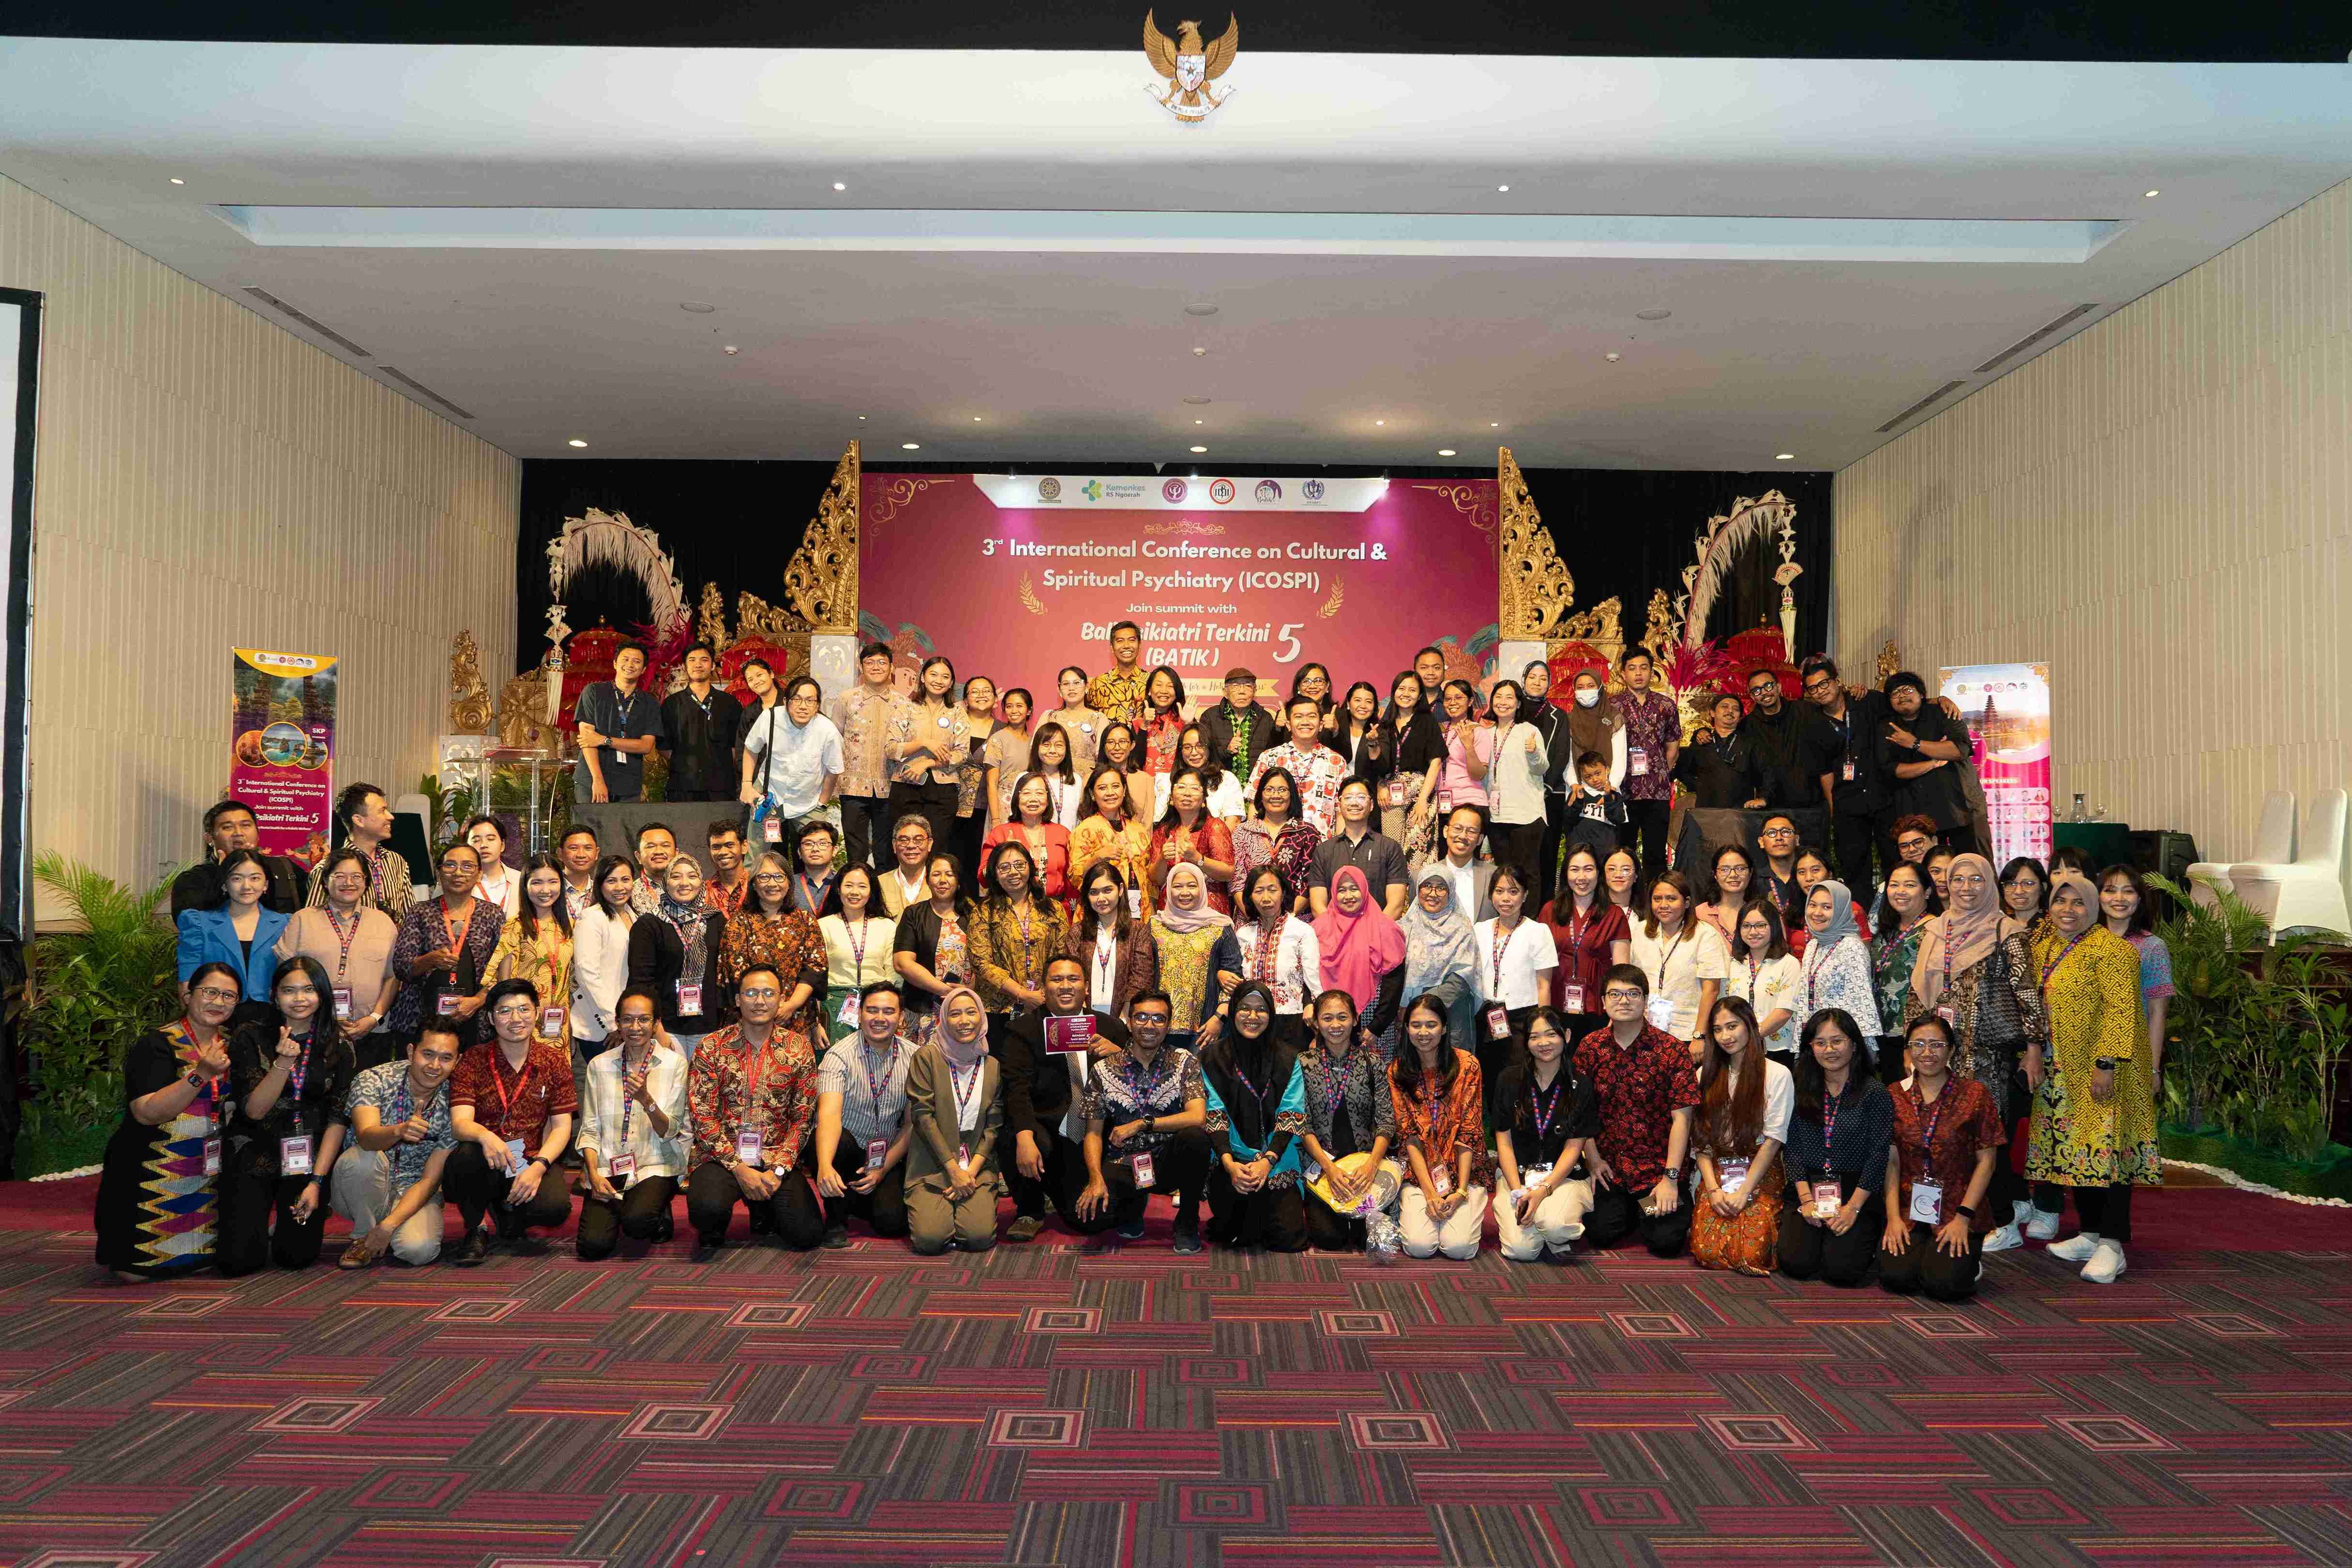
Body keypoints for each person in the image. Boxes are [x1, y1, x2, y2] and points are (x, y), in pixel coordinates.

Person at [1907, 852, 2047, 1251]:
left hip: (1987, 1056)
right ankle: (1948, 1215)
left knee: (1985, 1139)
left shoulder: (2007, 932)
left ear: (1989, 885)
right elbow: (1916, 996)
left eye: (1976, 880)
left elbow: (2028, 995)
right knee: (1941, 1138)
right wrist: (1911, 1051)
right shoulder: (1934, 931)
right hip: (1938, 1057)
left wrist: (2033, 1049)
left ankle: (2004, 1221)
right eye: (1959, 879)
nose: (1966, 888)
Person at [2027, 870, 2158, 1284]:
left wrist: (2106, 1064)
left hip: (2106, 1070)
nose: (2068, 910)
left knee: (2108, 1152)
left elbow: (2123, 1009)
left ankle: (2113, 1245)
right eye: (2060, 901)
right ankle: (2089, 1233)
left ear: (2093, 907)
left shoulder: (2113, 950)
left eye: (2078, 902)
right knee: (2076, 1150)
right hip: (2060, 1069)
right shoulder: (2044, 946)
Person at [94, 964, 240, 1280]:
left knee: (206, 1263)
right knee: (135, 1274)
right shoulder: (156, 1044)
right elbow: (147, 1113)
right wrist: (201, 1074)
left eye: (229, 996)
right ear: (187, 996)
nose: (219, 1001)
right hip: (151, 1168)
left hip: (207, 1172)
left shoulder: (233, 1046)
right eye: (210, 992)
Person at [684, 964, 825, 1251]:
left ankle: (763, 1208)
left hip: (775, 1157)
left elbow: (803, 1118)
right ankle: (716, 1225)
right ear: (738, 1000)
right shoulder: (711, 1047)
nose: (760, 1001)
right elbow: (703, 1117)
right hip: (722, 1158)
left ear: (781, 999)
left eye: (769, 993)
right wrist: (739, 1169)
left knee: (806, 1235)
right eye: (751, 993)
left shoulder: (799, 1048)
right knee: (707, 1209)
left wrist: (780, 1170)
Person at [445, 978, 577, 1266]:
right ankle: (476, 1228)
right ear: (492, 1019)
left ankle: (507, 1211)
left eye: (524, 1010)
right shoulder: (473, 1060)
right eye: (505, 1011)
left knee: (554, 1209)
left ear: (537, 1014)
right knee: (465, 1159)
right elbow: (460, 1124)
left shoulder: (554, 1061)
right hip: (486, 1158)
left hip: (530, 1157)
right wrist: (487, 1137)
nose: (516, 1019)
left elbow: (562, 1127)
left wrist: (539, 1167)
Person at [997, 956, 1127, 1241]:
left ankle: (1056, 1190)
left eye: (1073, 979)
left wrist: (1120, 1056)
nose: (1066, 986)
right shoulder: (1023, 1030)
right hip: (1047, 1133)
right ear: (1044, 989)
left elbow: (1138, 1085)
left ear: (1086, 987)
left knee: (1093, 1222)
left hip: (1094, 1136)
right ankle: (1030, 1209)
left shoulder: (1112, 1028)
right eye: (1057, 980)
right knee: (1013, 1135)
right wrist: (1024, 1137)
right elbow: (1016, 1090)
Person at [1573, 965, 1699, 1255]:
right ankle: (1632, 1211)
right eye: (1615, 994)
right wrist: (1593, 1160)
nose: (1624, 1001)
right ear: (1603, 1002)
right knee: (1601, 1234)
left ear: (1645, 1000)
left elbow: (1682, 1121)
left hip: (1657, 1172)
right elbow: (1581, 1112)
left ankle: (1650, 1209)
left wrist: (1670, 1179)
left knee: (1666, 1242)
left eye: (1633, 994)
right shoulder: (1590, 1047)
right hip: (1610, 1170)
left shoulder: (1671, 1050)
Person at [1075, 990, 1212, 1253]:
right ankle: (1132, 1207)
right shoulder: (1103, 1069)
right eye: (1141, 1017)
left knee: (1196, 1138)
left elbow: (1197, 1117)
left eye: (1159, 1019)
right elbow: (1093, 1133)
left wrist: (1143, 1123)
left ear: (1168, 1025)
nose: (1150, 1026)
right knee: (1094, 1219)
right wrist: (1095, 1179)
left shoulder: (1185, 1061)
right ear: (1129, 1022)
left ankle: (1187, 1220)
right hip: (1125, 1164)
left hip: (1169, 1161)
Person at [1878, 1014, 2003, 1301]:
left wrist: (1963, 1217)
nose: (1927, 1052)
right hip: (1909, 1208)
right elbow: (1892, 1161)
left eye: (1937, 1045)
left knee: (1944, 1285)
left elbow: (1987, 1162)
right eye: (1918, 1044)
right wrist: (1894, 1218)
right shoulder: (1894, 1095)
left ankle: (1967, 1262)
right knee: (1896, 1278)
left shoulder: (1975, 1094)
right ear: (1908, 1051)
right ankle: (1927, 1253)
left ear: (1951, 1050)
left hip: (1958, 1207)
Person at [332, 1019, 465, 1268]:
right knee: (363, 1160)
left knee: (419, 1251)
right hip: (362, 1187)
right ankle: (363, 1237)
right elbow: (366, 1138)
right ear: (412, 1052)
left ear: (457, 1062)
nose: (435, 1066)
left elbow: (431, 1179)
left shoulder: (456, 1101)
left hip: (413, 1190)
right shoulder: (374, 1079)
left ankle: (385, 1230)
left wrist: (389, 1226)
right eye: (428, 1055)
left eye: (446, 1058)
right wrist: (398, 1131)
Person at [1778, 1008, 1893, 1287]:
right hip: (1808, 1184)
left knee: (1842, 1272)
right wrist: (1806, 1200)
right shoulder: (1799, 1087)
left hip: (1857, 1190)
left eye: (1837, 1041)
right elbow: (1792, 1148)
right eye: (1820, 1043)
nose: (1829, 1050)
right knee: (1795, 1264)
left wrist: (1853, 1208)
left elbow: (1879, 1155)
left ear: (1854, 1044)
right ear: (1810, 1048)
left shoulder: (1875, 1092)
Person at [573, 988, 687, 1260]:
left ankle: (656, 1206)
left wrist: (646, 1100)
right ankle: (627, 1206)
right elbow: (589, 1129)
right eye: (627, 1020)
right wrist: (593, 1175)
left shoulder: (675, 1065)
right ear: (618, 1023)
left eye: (644, 1020)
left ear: (656, 1023)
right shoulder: (599, 1066)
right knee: (592, 1247)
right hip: (609, 1165)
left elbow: (670, 1130)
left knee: (638, 1224)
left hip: (655, 1164)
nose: (635, 1028)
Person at [1199, 981, 1310, 1252]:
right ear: (1233, 1011)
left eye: (1261, 1009)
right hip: (1232, 1158)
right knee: (1232, 1233)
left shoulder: (1289, 1057)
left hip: (1277, 1160)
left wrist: (1267, 1162)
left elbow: (1291, 1114)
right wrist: (1230, 1165)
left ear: (1271, 1015)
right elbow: (1214, 1114)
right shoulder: (1213, 1057)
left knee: (1288, 1239)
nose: (1253, 1016)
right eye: (1245, 1008)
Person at [1687, 997, 1794, 1274]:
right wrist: (1713, 1190)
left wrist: (1745, 1192)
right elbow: (1701, 1141)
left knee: (1751, 1254)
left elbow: (1773, 1141)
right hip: (1718, 1169)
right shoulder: (1705, 1074)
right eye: (1718, 1030)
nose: (1725, 1036)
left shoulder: (1777, 1074)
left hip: (1760, 1169)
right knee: (1708, 1252)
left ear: (1750, 1025)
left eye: (1732, 1026)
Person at [809, 982, 916, 1246]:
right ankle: (836, 1219)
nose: (880, 1018)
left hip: (885, 1153)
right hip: (844, 1150)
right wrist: (824, 1166)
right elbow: (829, 1117)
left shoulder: (915, 1057)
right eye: (872, 1010)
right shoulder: (838, 1056)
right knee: (838, 1142)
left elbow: (911, 1125)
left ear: (901, 1017)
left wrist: (883, 1168)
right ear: (860, 1014)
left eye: (889, 1011)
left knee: (893, 1224)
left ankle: (854, 1199)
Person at [1491, 1006, 1600, 1262]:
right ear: (1526, 1042)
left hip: (1564, 1178)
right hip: (1517, 1177)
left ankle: (1551, 1225)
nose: (1544, 1043)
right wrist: (1518, 1192)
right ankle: (1543, 1227)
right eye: (1535, 1037)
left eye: (1551, 1034)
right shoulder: (1508, 1080)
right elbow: (1504, 1144)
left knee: (1556, 1226)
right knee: (1520, 1251)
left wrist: (1542, 1191)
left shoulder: (1581, 1085)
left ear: (1567, 1036)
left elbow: (1574, 1148)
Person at [1296, 988, 1402, 1251]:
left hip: (1364, 1164)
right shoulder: (1304, 1063)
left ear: (1355, 1020)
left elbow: (1386, 1120)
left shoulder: (1373, 1062)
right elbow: (1302, 1124)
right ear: (1316, 1023)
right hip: (1322, 1167)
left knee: (1369, 1239)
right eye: (1327, 1018)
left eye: (1342, 1017)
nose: (1335, 1025)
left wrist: (1371, 1165)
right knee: (1330, 1239)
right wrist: (1330, 1170)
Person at [904, 985, 1006, 1253]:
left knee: (978, 1238)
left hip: (975, 1166)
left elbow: (993, 1126)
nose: (964, 1021)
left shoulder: (992, 1065)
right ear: (944, 1019)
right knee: (930, 1240)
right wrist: (953, 1171)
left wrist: (969, 1173)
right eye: (955, 1014)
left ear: (982, 1016)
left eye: (971, 1012)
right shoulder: (926, 1057)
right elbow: (923, 1118)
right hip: (932, 1163)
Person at [275, 846, 399, 1067]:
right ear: (325, 881)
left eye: (356, 876)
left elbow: (393, 977)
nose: (348, 883)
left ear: (366, 882)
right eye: (339, 876)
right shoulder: (303, 920)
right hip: (315, 1030)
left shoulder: (384, 923)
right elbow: (284, 977)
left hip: (372, 1032)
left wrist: (374, 1018)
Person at [1389, 994, 1487, 1259]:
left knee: (1459, 1248)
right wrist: (1430, 1193)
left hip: (1464, 1170)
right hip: (1419, 1173)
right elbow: (1409, 1137)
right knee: (1419, 1247)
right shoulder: (1397, 1071)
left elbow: (1469, 1131)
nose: (1423, 1033)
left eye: (1431, 1025)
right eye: (1416, 1025)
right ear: (1407, 1028)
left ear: (1444, 1028)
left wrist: (1461, 1191)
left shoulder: (1467, 1065)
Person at [1800, 654, 1896, 898]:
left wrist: (1940, 700)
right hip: (1848, 804)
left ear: (1837, 681)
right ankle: (1860, 917)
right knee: (1855, 870)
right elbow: (1825, 772)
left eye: (1824, 683)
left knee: (1895, 863)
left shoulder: (1866, 701)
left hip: (1884, 797)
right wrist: (1836, 811)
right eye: (1813, 688)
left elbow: (1904, 706)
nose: (1820, 691)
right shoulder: (1813, 726)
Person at [387, 842, 502, 1042]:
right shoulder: (420, 912)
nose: (458, 873)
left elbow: (502, 970)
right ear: (439, 872)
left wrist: (478, 1001)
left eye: (468, 866)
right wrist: (430, 960)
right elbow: (401, 967)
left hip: (475, 1019)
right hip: (419, 1018)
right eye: (450, 865)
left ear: (479, 874)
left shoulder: (492, 914)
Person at [484, 853, 575, 1080]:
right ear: (525, 886)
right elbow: (503, 985)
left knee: (556, 1088)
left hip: (559, 1025)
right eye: (537, 882)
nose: (545, 890)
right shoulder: (515, 927)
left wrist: (571, 1028)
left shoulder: (569, 927)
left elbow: (571, 981)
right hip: (524, 1025)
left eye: (552, 882)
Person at [1474, 864, 1558, 1104]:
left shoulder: (1538, 931)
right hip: (1487, 1017)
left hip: (1523, 1018)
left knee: (1519, 1083)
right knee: (1491, 1082)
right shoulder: (1479, 930)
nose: (1506, 899)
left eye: (1513, 892)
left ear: (1525, 895)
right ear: (1491, 895)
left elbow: (1544, 985)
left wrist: (1542, 1026)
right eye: (1499, 891)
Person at [630, 856, 729, 1057]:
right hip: (666, 1028)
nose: (685, 883)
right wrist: (657, 1029)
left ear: (701, 881)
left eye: (692, 876)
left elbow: (723, 974)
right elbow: (641, 983)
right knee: (671, 1078)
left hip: (709, 1025)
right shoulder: (650, 924)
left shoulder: (716, 920)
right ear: (666, 882)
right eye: (676, 877)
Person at [831, 641, 917, 872]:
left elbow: (910, 745)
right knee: (855, 850)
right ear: (861, 667)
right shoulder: (846, 699)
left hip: (890, 786)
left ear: (892, 668)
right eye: (870, 662)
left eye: (882, 662)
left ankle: (885, 893)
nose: (876, 667)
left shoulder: (904, 704)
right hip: (852, 787)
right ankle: (857, 889)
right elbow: (834, 740)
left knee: (886, 851)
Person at [714, 850, 822, 1030]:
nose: (772, 884)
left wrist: (791, 1005)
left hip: (797, 1017)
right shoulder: (738, 923)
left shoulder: (806, 920)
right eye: (764, 877)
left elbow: (815, 968)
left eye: (779, 877)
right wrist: (767, 1006)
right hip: (752, 1019)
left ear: (789, 883)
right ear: (754, 884)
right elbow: (737, 974)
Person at [970, 840, 1068, 1036]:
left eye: (1019, 865)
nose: (1013, 872)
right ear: (995, 874)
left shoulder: (1053, 909)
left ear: (1030, 868)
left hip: (1046, 1004)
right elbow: (981, 963)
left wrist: (1043, 993)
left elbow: (1064, 955)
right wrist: (1022, 995)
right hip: (999, 1010)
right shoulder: (983, 912)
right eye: (1005, 867)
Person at [1313, 866, 1408, 1060]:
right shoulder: (1319, 929)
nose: (1348, 896)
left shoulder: (1386, 928)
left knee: (1375, 1074)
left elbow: (1394, 983)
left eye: (1354, 888)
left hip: (1373, 1022)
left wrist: (1377, 1026)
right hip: (1329, 1023)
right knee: (1332, 1076)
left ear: (1364, 890)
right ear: (1333, 893)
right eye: (1342, 890)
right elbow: (1308, 977)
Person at [739, 673, 842, 852]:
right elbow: (751, 749)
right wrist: (747, 785)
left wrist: (822, 803)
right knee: (756, 854)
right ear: (786, 702)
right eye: (797, 699)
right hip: (768, 796)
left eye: (810, 701)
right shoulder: (770, 718)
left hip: (808, 802)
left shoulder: (828, 731)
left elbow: (833, 770)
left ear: (817, 706)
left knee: (819, 851)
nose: (803, 706)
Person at [1146, 862, 1244, 1048]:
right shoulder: (1155, 926)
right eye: (1178, 886)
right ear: (1168, 890)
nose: (1185, 893)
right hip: (1160, 1029)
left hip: (1207, 1029)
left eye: (1192, 886)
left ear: (1202, 889)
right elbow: (1145, 974)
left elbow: (1233, 977)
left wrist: (1219, 1019)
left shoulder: (1219, 927)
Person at [1629, 871, 1730, 1052]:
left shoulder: (1705, 935)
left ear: (1687, 902)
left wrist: (1699, 1035)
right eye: (1657, 899)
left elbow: (1712, 990)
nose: (1663, 905)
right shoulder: (1640, 931)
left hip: (1687, 1032)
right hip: (1643, 1030)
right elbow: (1630, 980)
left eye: (1672, 899)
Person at [1540, 844, 1632, 1039]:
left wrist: (1617, 1014)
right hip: (1555, 1007)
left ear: (1598, 873)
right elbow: (1541, 972)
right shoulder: (1550, 911)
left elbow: (1621, 971)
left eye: (1588, 869)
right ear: (1565, 874)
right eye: (1575, 870)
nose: (1581, 877)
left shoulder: (1615, 915)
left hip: (1599, 1009)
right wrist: (1542, 1015)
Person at [177, 848, 293, 1003]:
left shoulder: (285, 925)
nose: (247, 886)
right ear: (225, 885)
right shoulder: (198, 924)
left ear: (266, 884)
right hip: (216, 1011)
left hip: (271, 1012)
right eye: (237, 879)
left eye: (255, 878)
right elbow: (187, 984)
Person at [1878, 671, 1975, 853]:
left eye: (1908, 690)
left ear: (1922, 694)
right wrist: (1933, 762)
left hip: (1956, 807)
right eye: (1895, 693)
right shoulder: (1887, 726)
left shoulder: (1944, 712)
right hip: (1914, 813)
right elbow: (1893, 770)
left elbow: (1959, 750)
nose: (1902, 696)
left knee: (1966, 861)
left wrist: (1915, 744)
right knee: (1921, 865)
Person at [886, 655, 972, 855]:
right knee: (906, 848)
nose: (939, 681)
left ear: (951, 683)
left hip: (943, 789)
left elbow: (961, 754)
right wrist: (923, 743)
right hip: (906, 784)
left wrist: (928, 764)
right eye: (933, 675)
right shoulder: (906, 707)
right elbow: (891, 749)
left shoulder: (957, 713)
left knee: (936, 849)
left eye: (945, 677)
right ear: (923, 677)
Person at [2099, 864, 2172, 1089]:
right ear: (2098, 897)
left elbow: (2157, 1012)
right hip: (2084, 1054)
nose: (2119, 898)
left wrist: (2153, 1069)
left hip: (2132, 1058)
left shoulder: (2152, 947)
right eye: (2110, 890)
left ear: (2139, 899)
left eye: (2129, 891)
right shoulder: (2084, 943)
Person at [172, 798, 305, 918]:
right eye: (228, 827)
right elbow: (191, 925)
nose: (239, 833)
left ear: (258, 833)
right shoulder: (193, 880)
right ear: (210, 839)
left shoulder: (283, 868)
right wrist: (223, 877)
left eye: (246, 825)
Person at [891, 851, 975, 1041]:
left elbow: (984, 959)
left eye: (950, 874)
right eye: (936, 874)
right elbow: (902, 963)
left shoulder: (973, 914)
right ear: (927, 881)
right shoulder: (914, 914)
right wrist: (946, 991)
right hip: (922, 1010)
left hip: (965, 1009)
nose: (943, 880)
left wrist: (967, 991)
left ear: (959, 881)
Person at [1612, 648, 1680, 874]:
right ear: (1623, 674)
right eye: (1632, 669)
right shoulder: (1612, 706)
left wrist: (1661, 773)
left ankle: (1655, 896)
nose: (1638, 673)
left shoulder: (1666, 705)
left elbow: (1673, 747)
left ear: (1652, 672)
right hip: (1623, 789)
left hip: (1657, 791)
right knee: (1623, 853)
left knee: (1655, 855)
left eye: (1644, 668)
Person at [1401, 866, 1481, 1060]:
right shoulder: (1403, 927)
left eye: (1441, 888)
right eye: (1427, 885)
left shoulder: (1462, 928)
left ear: (1451, 892)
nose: (1433, 893)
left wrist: (1421, 1007)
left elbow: (1462, 979)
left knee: (1451, 1071)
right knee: (1414, 1071)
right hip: (1410, 1019)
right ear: (1418, 889)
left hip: (1450, 1016)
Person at [1232, 865, 1322, 1036]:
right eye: (1259, 891)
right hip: (1251, 1022)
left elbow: (1314, 979)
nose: (1266, 898)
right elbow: (1235, 979)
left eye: (1272, 890)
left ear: (1283, 894)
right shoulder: (1243, 934)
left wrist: (1315, 1009)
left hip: (1291, 1021)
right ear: (1250, 897)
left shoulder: (1302, 931)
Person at [573, 639, 664, 804]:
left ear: (644, 669)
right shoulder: (594, 692)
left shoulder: (650, 703)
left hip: (628, 785)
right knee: (590, 822)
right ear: (615, 663)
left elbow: (646, 746)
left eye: (637, 661)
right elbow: (588, 740)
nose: (630, 665)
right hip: (591, 782)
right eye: (625, 659)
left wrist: (605, 740)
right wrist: (598, 780)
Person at [1794, 880, 1884, 1048]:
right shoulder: (1813, 945)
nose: (1817, 913)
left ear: (1842, 910)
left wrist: (1860, 1049)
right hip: (1816, 1039)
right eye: (1813, 905)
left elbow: (1862, 1003)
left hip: (1843, 1044)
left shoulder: (1852, 946)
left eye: (1827, 907)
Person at [815, 865, 898, 1044]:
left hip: (877, 1006)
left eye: (862, 886)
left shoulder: (887, 926)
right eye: (848, 885)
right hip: (834, 1005)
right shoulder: (823, 925)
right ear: (838, 889)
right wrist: (816, 1022)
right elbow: (816, 977)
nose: (855, 892)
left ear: (871, 891)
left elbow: (893, 974)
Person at [1737, 665, 1836, 814]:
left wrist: (1854, 696)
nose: (1764, 693)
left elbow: (1835, 713)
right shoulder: (1747, 726)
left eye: (1768, 686)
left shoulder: (1805, 710)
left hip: (1812, 804)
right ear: (1752, 697)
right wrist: (1702, 732)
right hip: (1770, 807)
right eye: (1757, 690)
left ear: (1779, 687)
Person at [1246, 695, 1351, 835]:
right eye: (1299, 717)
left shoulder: (1337, 762)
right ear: (1289, 725)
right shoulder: (1268, 758)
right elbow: (1254, 805)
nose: (1305, 722)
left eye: (1312, 716)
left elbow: (1342, 813)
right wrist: (1255, 843)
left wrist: (1340, 847)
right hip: (1276, 845)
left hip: (1323, 846)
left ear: (1321, 725)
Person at [1307, 778, 1411, 917]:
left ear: (1372, 805)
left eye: (1361, 797)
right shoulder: (1324, 851)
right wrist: (1335, 930)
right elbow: (1318, 906)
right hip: (1334, 930)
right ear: (1339, 805)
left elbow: (1396, 905)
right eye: (1348, 798)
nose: (1354, 803)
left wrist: (1374, 929)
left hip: (1378, 929)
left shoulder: (1390, 848)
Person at [654, 642, 743, 803]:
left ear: (713, 666)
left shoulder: (730, 703)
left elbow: (736, 745)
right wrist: (686, 764)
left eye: (704, 660)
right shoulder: (672, 704)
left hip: (721, 787)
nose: (698, 665)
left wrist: (718, 764)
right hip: (683, 786)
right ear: (684, 667)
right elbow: (664, 747)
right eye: (692, 660)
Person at [1870, 863, 1935, 1083]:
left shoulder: (1934, 930)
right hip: (1882, 1032)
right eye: (1894, 885)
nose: (1900, 892)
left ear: (1927, 891)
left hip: (1916, 1035)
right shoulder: (1884, 931)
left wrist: (1915, 1041)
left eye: (1909, 885)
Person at [307, 783, 413, 917]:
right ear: (359, 820)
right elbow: (312, 921)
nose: (390, 817)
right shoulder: (328, 868)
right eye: (382, 811)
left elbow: (411, 918)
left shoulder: (397, 862)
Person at [570, 855, 638, 1060]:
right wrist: (613, 1021)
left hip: (631, 1021)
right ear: (600, 884)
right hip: (603, 1027)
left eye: (625, 880)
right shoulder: (592, 917)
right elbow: (587, 974)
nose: (620, 887)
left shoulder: (635, 915)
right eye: (611, 881)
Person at [1230, 767, 1323, 916]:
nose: (1276, 795)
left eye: (1283, 790)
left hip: (1296, 920)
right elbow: (1237, 881)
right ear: (1261, 795)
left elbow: (1310, 882)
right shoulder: (1242, 831)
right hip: (1250, 921)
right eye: (1269, 790)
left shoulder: (1308, 833)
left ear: (1292, 795)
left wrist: (1288, 918)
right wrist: (1252, 917)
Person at [1482, 679, 1549, 879]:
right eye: (1499, 697)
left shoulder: (1529, 731)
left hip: (1526, 815)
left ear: (1519, 703)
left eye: (1509, 697)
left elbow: (1542, 768)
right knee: (1503, 875)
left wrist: (1533, 752)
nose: (1503, 702)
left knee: (1528, 875)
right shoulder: (1486, 734)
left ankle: (1529, 904)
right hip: (1496, 817)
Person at [1070, 767, 1157, 919]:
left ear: (1124, 790)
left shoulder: (1139, 830)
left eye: (1116, 786)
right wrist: (1097, 858)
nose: (1110, 793)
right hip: (1099, 914)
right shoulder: (1085, 830)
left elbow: (1150, 878)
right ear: (1092, 794)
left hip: (1139, 913)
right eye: (1102, 788)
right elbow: (1075, 877)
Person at [1149, 769, 1237, 915]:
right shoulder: (1163, 830)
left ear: (1204, 799)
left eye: (1195, 788)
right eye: (1181, 787)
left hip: (1208, 909)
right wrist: (1163, 859)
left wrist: (1198, 859)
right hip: (1170, 909)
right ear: (1171, 797)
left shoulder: (1214, 826)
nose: (1187, 793)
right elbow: (1155, 880)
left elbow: (1228, 873)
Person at [984, 773, 1075, 913]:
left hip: (1056, 910)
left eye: (1040, 793)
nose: (1033, 799)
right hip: (1012, 911)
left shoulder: (1062, 833)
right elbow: (984, 879)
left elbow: (1072, 880)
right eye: (1026, 793)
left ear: (1048, 800)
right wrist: (1002, 854)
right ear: (1017, 798)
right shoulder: (1000, 833)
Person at [1725, 897, 1802, 1059]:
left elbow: (1785, 1011)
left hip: (1777, 1048)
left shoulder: (1789, 963)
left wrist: (1750, 1037)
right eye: (1746, 926)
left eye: (1760, 926)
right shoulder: (1733, 963)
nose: (1753, 932)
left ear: (1774, 927)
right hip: (1736, 1047)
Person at [1379, 671, 1447, 847]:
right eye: (1402, 689)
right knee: (1391, 848)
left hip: (1421, 791)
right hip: (1391, 793)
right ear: (1394, 692)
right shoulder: (1385, 724)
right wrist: (1380, 786)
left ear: (1420, 696)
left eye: (1412, 690)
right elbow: (1376, 762)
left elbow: (1436, 762)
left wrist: (1423, 799)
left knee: (1418, 849)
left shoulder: (1427, 721)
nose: (1406, 694)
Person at [950, 673, 1003, 879]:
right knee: (949, 858)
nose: (981, 695)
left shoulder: (1003, 731)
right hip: (949, 802)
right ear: (965, 700)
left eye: (987, 691)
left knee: (977, 861)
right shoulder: (954, 725)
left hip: (985, 805)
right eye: (975, 692)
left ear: (996, 699)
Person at [1674, 691, 1761, 811]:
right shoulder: (1701, 741)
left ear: (1740, 717)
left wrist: (1763, 798)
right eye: (1725, 707)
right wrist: (1700, 786)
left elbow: (1765, 773)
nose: (1730, 711)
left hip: (1741, 812)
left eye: (1736, 709)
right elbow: (1681, 771)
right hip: (1707, 810)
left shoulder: (1750, 743)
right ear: (1712, 713)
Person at [1196, 666, 1278, 784]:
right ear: (1225, 693)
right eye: (1235, 687)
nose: (1242, 691)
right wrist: (1227, 751)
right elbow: (1203, 754)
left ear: (1255, 691)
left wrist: (1280, 729)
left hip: (1256, 786)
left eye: (1248, 686)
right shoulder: (1210, 716)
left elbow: (1274, 754)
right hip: (1220, 785)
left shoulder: (1265, 718)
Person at [1156, 724, 1247, 823]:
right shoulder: (1167, 781)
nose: (1194, 753)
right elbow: (1158, 821)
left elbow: (1233, 822)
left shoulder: (1227, 780)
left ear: (1210, 747)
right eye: (1187, 747)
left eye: (1200, 746)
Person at [1424, 804, 1498, 923]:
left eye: (1471, 831)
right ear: (1446, 831)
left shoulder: (1495, 876)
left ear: (1480, 839)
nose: (1463, 836)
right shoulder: (1424, 876)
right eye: (1457, 828)